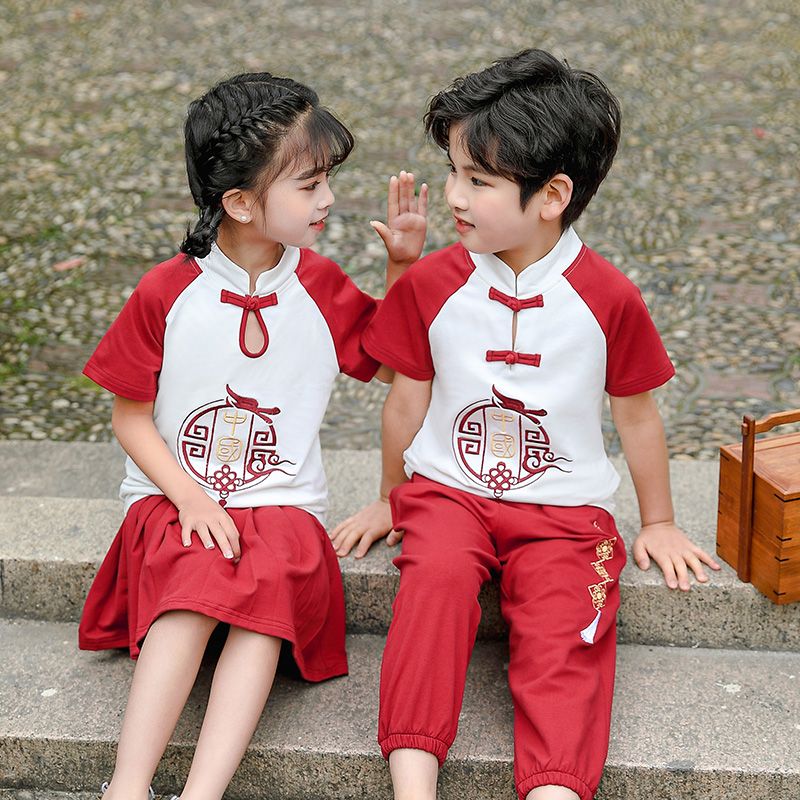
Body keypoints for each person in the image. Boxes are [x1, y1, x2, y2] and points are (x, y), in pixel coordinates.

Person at [331, 49, 720, 800]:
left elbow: (635, 412)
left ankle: (554, 789)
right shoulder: (436, 282)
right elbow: (405, 399)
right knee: (432, 587)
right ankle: (413, 781)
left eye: (477, 180)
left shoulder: (608, 297)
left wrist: (660, 520)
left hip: (564, 511)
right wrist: (390, 495)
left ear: (552, 195)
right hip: (448, 493)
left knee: (568, 629)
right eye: (452, 172)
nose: (454, 196)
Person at [78, 72, 427, 800]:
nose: (327, 200)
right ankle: (128, 784)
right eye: (308, 186)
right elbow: (129, 417)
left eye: (328, 180)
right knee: (190, 585)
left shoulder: (322, 286)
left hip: (283, 505)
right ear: (239, 202)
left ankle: (203, 792)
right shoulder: (166, 292)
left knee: (264, 599)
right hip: (174, 498)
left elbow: (393, 365)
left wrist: (401, 266)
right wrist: (192, 500)